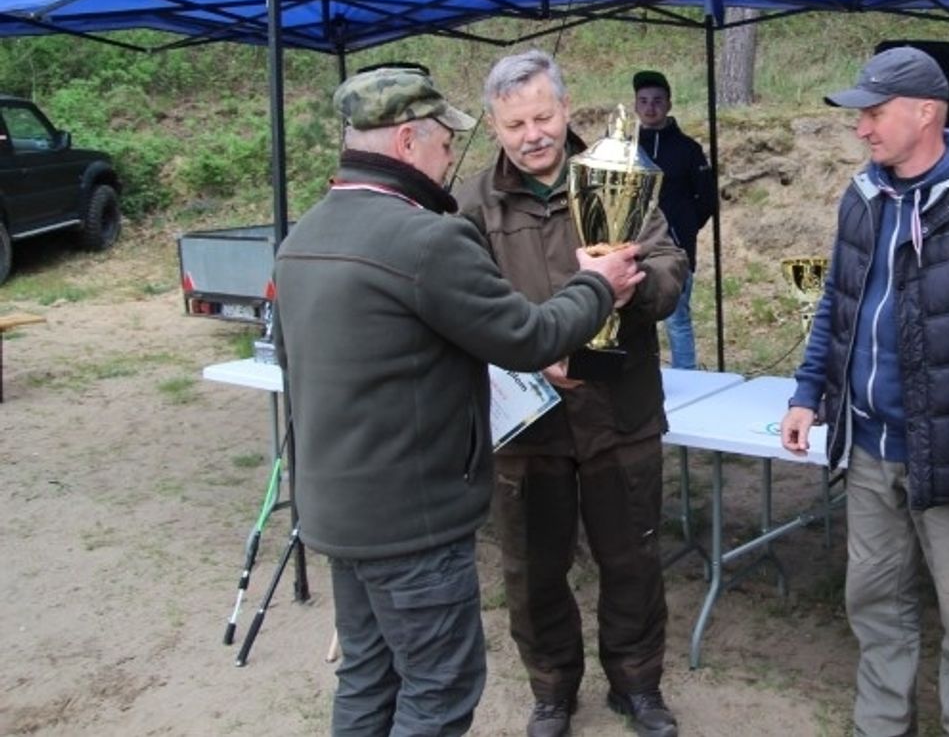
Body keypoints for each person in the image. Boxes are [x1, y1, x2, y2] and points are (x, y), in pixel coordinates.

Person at [273, 64, 643, 737]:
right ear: (407, 141)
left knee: (368, 677)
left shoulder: (304, 237)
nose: (451, 157)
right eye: (445, 142)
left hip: (336, 512)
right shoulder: (426, 238)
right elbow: (529, 336)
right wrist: (597, 283)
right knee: (438, 693)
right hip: (412, 519)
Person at [779, 46, 949, 737]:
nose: (862, 128)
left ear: (926, 112)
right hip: (868, 446)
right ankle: (881, 725)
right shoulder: (862, 197)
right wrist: (807, 392)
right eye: (860, 115)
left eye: (874, 113)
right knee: (873, 602)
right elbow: (837, 305)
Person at [454, 49, 688, 737]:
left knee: (632, 558)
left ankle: (637, 684)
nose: (533, 135)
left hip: (621, 410)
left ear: (565, 107)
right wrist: (527, 358)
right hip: (527, 422)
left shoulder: (618, 174)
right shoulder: (471, 204)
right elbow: (458, 310)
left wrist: (632, 286)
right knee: (533, 569)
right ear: (494, 126)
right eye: (515, 123)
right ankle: (552, 689)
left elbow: (671, 268)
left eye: (543, 116)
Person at [632, 69, 716, 370]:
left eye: (657, 101)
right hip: (631, 248)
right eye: (643, 101)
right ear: (635, 105)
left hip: (677, 249)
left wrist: (684, 228)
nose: (650, 108)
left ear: (669, 104)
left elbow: (707, 199)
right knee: (634, 319)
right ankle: (642, 374)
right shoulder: (625, 148)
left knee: (677, 319)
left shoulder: (688, 149)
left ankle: (687, 376)